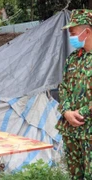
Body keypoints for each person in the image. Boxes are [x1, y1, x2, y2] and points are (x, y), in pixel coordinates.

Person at [56, 9, 92, 180]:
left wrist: (81, 114)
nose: (70, 36)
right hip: (71, 131)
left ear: (87, 32)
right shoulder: (73, 58)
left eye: (73, 32)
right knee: (74, 176)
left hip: (89, 130)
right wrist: (66, 112)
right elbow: (63, 87)